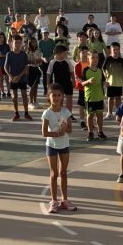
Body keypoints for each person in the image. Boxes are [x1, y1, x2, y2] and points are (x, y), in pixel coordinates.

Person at [41, 83, 76, 213]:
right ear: (49, 97)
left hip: (64, 145)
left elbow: (71, 129)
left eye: (59, 95)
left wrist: (65, 129)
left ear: (62, 97)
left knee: (63, 173)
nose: (56, 98)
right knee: (54, 173)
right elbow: (44, 133)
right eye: (53, 95)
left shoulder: (66, 112)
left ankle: (65, 200)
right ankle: (54, 201)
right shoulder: (47, 113)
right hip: (52, 146)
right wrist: (56, 133)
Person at [5, 36, 32, 121]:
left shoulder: (24, 54)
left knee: (24, 95)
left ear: (21, 44)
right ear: (12, 43)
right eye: (15, 42)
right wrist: (11, 76)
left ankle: (26, 113)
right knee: (14, 96)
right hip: (13, 79)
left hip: (22, 78)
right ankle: (16, 113)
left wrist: (20, 76)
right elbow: (5, 67)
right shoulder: (9, 54)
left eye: (19, 42)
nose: (17, 44)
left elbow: (26, 67)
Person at [82, 51, 107, 141]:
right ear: (88, 59)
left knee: (100, 115)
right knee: (90, 116)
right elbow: (82, 83)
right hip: (90, 98)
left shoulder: (100, 70)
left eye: (96, 58)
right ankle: (90, 132)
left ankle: (100, 132)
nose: (95, 60)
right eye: (93, 58)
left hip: (99, 97)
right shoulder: (86, 70)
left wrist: (105, 83)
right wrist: (88, 81)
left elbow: (103, 81)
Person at [47, 45, 76, 115]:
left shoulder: (67, 61)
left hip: (68, 83)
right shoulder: (52, 62)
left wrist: (73, 81)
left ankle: (69, 114)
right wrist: (48, 84)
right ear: (58, 53)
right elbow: (48, 74)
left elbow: (72, 72)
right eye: (64, 53)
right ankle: (60, 114)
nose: (65, 55)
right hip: (58, 85)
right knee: (60, 100)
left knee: (69, 99)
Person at [104, 42, 123, 117]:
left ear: (119, 50)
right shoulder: (108, 59)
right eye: (113, 49)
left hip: (119, 83)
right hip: (110, 82)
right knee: (110, 98)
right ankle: (109, 113)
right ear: (110, 50)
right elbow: (103, 68)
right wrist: (105, 78)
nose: (115, 51)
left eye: (117, 49)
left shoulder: (121, 60)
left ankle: (118, 112)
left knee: (118, 98)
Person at [26, 37, 44, 109]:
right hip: (30, 69)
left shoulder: (38, 50)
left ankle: (35, 101)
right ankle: (30, 102)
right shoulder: (28, 51)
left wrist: (39, 61)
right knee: (32, 86)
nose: (34, 43)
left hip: (37, 68)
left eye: (35, 42)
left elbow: (40, 59)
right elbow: (26, 61)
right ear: (29, 43)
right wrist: (32, 61)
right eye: (32, 42)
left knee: (36, 86)